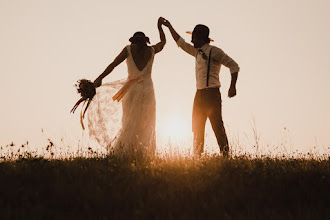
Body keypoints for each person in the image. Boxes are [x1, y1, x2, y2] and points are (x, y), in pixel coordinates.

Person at [87, 18, 166, 159]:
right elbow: (163, 43)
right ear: (145, 41)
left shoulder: (129, 49)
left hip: (133, 89)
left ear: (133, 41)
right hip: (146, 88)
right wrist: (160, 27)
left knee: (130, 121)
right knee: (146, 121)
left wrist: (99, 78)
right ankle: (143, 154)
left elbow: (113, 65)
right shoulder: (151, 50)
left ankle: (128, 153)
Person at [162, 19, 240, 157]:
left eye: (194, 38)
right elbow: (181, 43)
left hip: (212, 94)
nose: (192, 41)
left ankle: (226, 155)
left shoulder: (215, 51)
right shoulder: (196, 52)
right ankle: (197, 156)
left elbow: (234, 66)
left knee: (217, 126)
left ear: (202, 38)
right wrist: (169, 26)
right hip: (199, 94)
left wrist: (232, 86)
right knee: (197, 127)